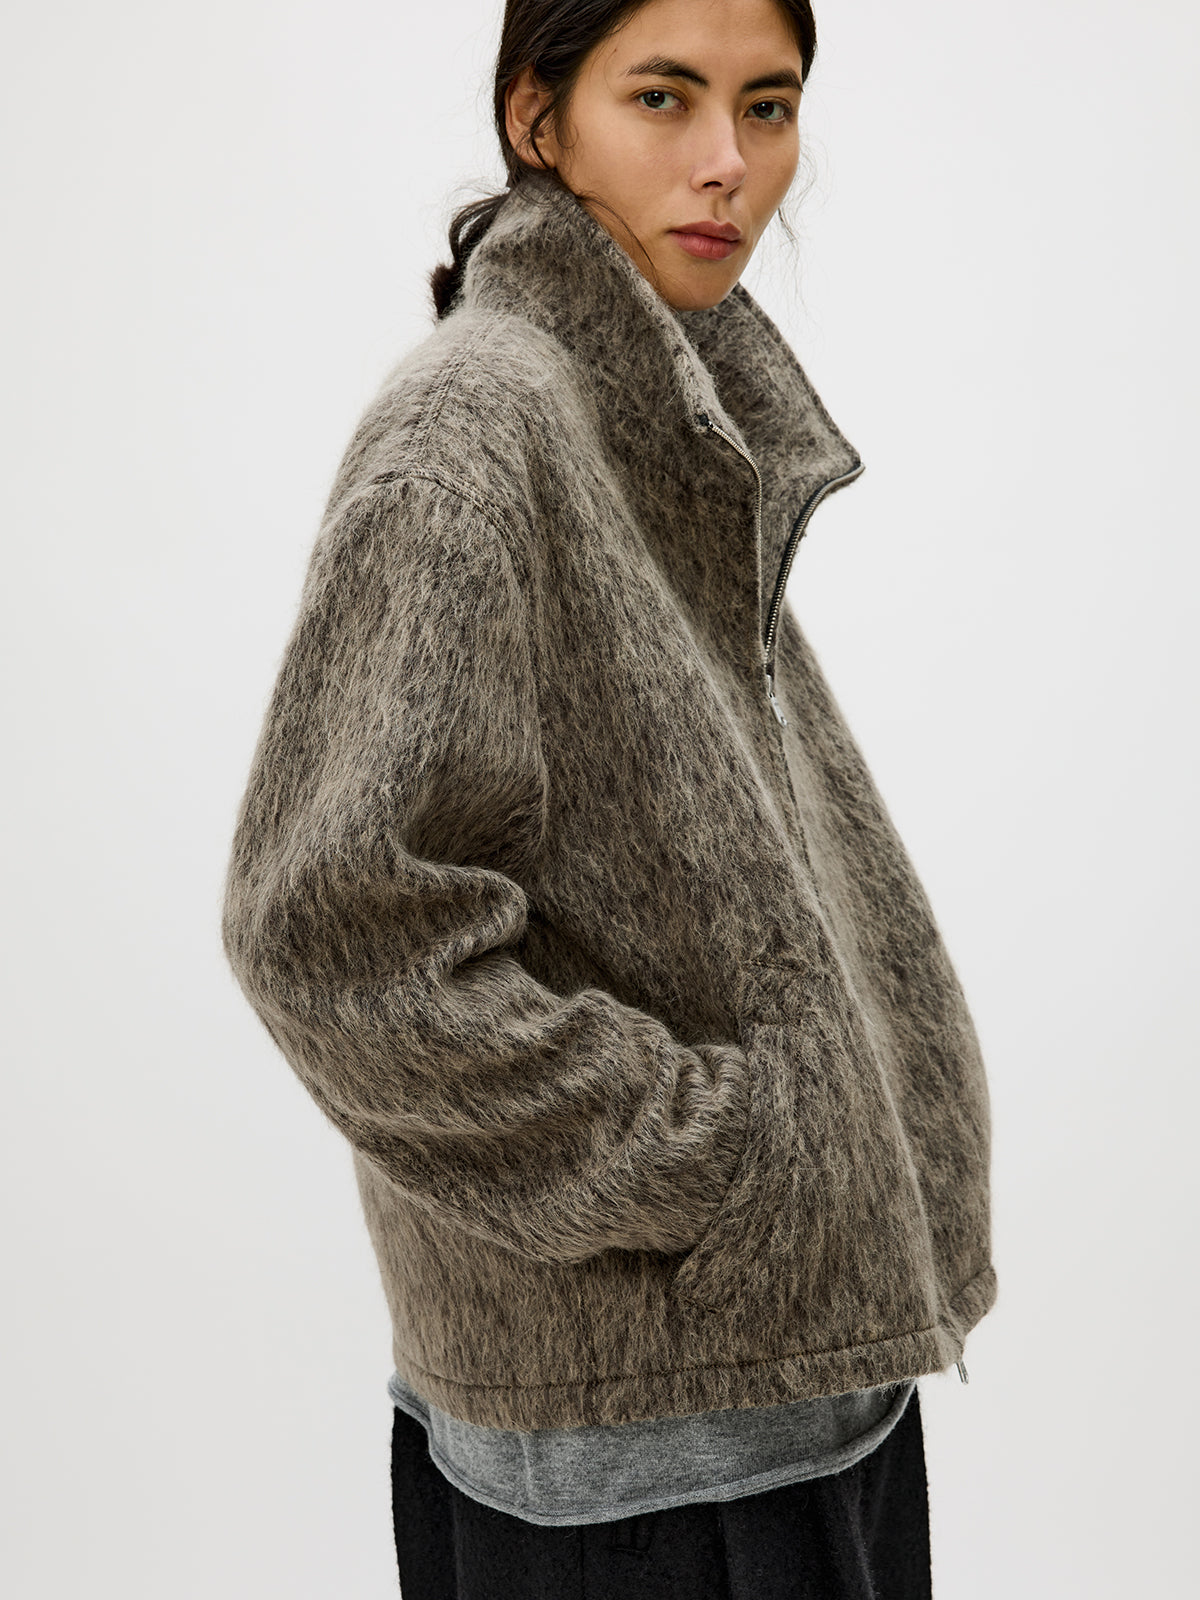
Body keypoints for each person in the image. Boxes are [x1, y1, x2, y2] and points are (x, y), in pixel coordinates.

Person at [221, 0, 997, 1594]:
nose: (728, 163)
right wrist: (718, 1155)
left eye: (768, 106)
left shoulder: (647, 407)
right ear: (537, 115)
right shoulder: (474, 432)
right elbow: (332, 934)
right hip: (649, 1469)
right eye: (663, 97)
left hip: (786, 1391)